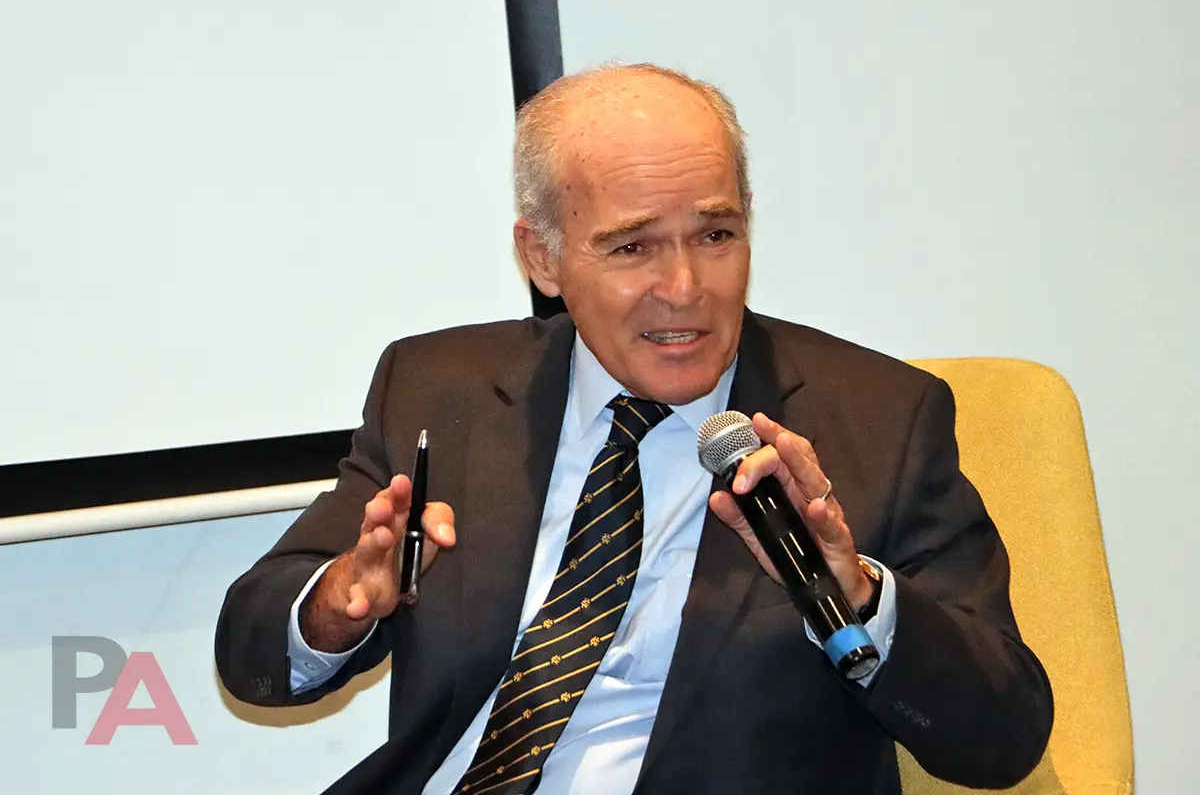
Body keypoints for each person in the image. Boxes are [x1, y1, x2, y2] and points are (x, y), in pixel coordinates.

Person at [215, 63, 1052, 794]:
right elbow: (252, 652)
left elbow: (1002, 738)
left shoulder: (879, 418)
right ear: (542, 257)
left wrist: (856, 595)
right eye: (631, 248)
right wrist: (341, 603)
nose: (684, 287)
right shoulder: (442, 389)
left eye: (715, 235)